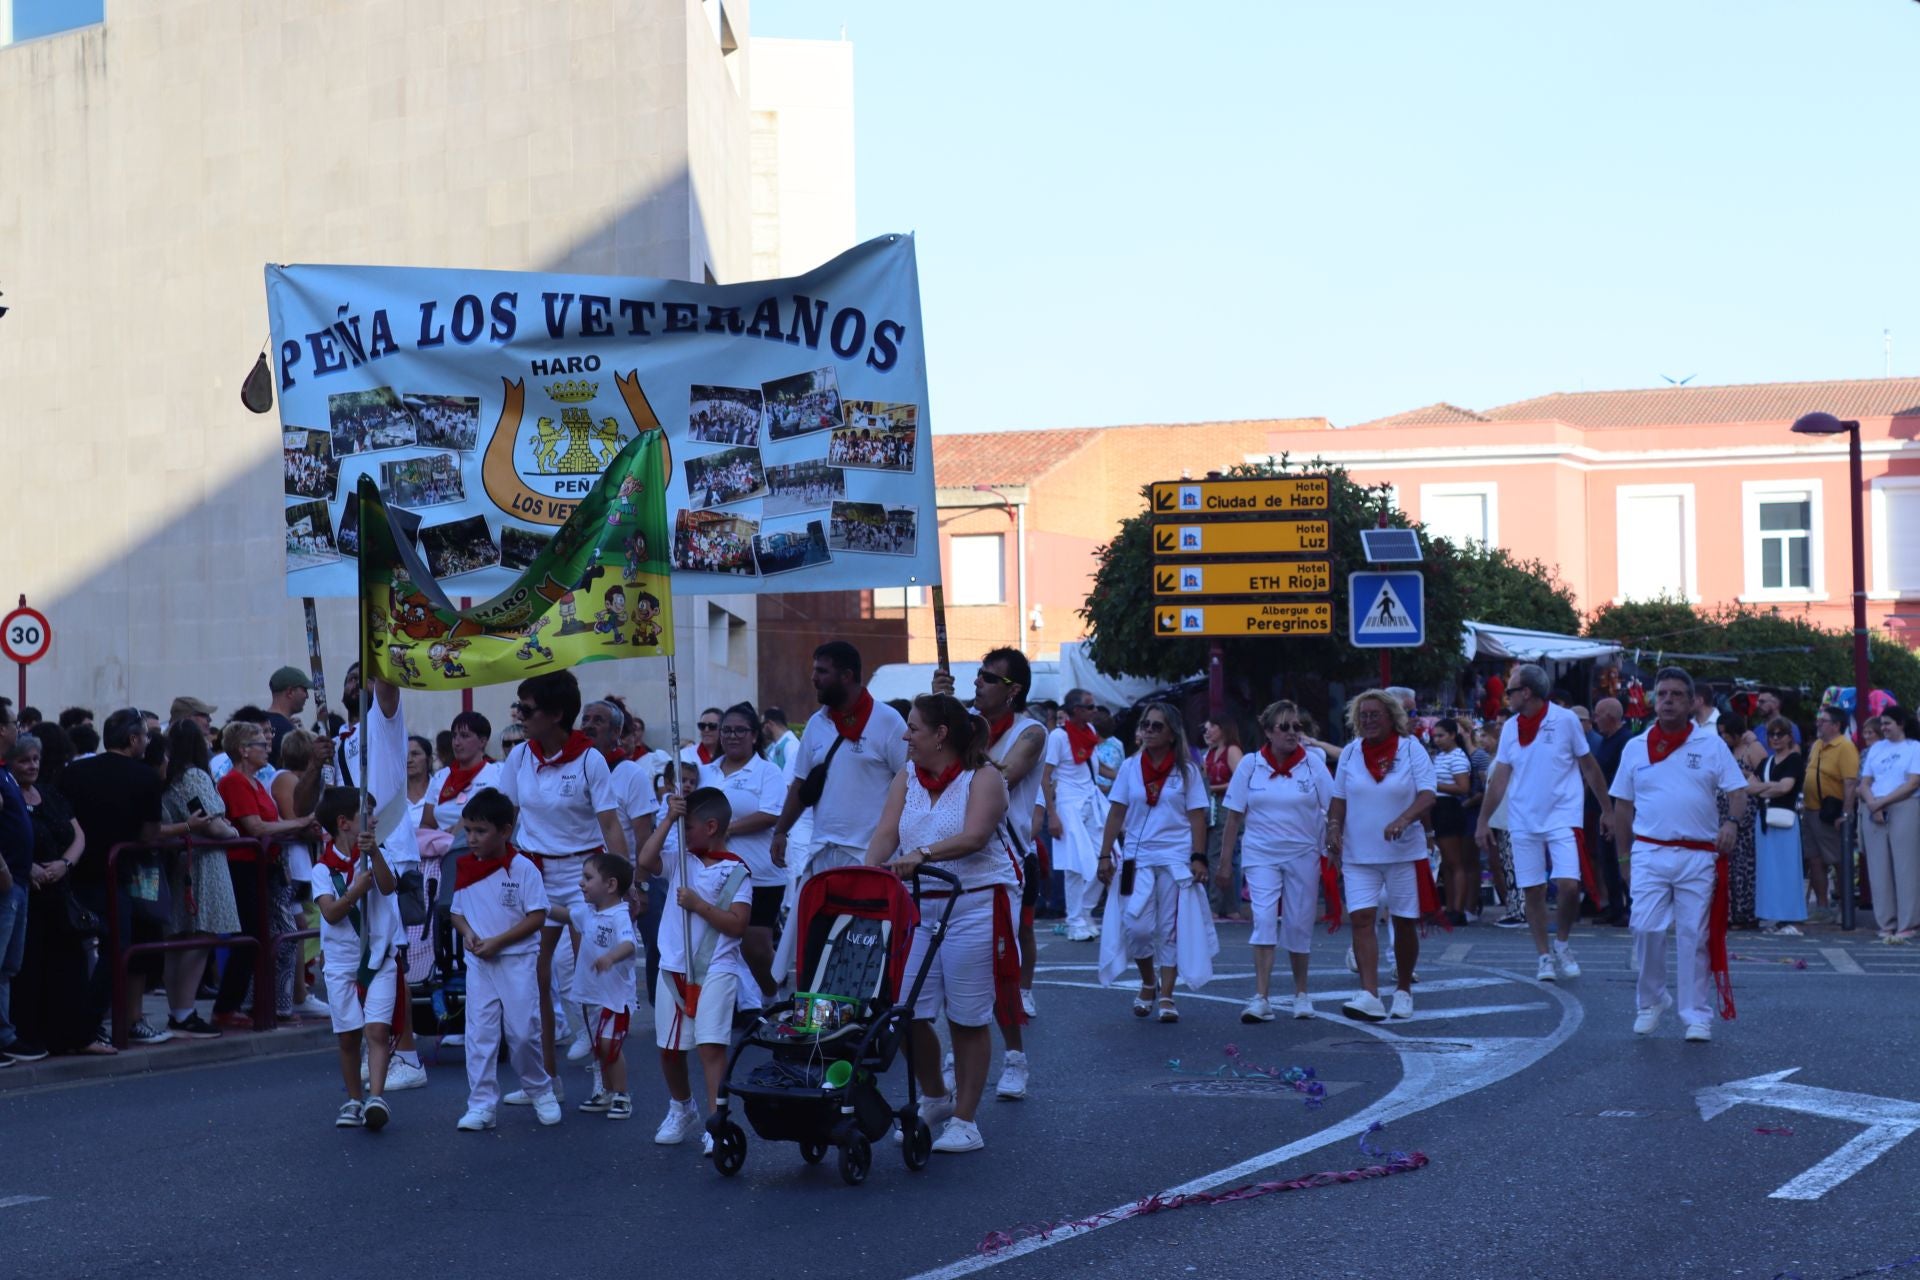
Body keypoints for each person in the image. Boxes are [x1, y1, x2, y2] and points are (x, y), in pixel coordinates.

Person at [866, 693, 1018, 1153]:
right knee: (903, 1012)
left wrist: (923, 854)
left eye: (913, 728)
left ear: (941, 735)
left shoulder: (985, 777)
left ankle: (966, 1121)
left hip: (974, 901)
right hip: (918, 905)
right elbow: (884, 834)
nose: (905, 736)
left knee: (968, 1017)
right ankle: (935, 1096)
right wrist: (868, 874)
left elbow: (974, 836)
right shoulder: (907, 776)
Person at [495, 670, 630, 1095]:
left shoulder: (590, 759)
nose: (520, 716)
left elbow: (610, 823)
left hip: (584, 877)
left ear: (555, 714)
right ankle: (545, 1079)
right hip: (536, 874)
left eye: (527, 709)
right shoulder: (519, 758)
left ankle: (600, 1076)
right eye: (519, 706)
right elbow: (504, 819)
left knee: (587, 978)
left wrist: (625, 888)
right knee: (537, 979)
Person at [1609, 667, 1748, 1041]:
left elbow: (1738, 791)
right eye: (1662, 694)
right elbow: (1622, 806)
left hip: (1698, 854)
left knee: (1693, 934)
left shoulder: (1710, 744)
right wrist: (1623, 858)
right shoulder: (1635, 747)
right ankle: (1652, 999)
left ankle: (1695, 1013)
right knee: (1645, 927)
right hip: (1650, 852)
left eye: (1676, 695)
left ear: (1691, 703)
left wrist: (1731, 823)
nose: (1667, 700)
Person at [65, 709, 215, 1046]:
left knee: (81, 949)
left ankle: (92, 1021)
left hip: (77, 871)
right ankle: (97, 1025)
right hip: (125, 876)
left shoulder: (75, 772)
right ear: (133, 740)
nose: (147, 742)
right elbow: (149, 834)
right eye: (145, 736)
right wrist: (190, 826)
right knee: (122, 949)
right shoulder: (144, 778)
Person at [935, 645, 1044, 1097]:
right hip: (954, 854)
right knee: (945, 966)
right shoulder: (965, 726)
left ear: (1013, 690)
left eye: (987, 678)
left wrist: (957, 730)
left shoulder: (1031, 731)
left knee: (1000, 964)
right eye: (976, 675)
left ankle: (1015, 1058)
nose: (976, 683)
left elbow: (1003, 775)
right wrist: (941, 710)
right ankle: (951, 1053)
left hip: (1003, 859)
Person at [1475, 663, 1615, 981]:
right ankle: (1543, 956)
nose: (1505, 696)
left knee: (1568, 886)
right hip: (1523, 818)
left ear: (1526, 692)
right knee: (1534, 891)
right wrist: (1483, 821)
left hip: (1562, 816)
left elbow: (1590, 768)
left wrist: (1607, 810)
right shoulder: (1510, 727)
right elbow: (1500, 779)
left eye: (1510, 690)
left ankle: (1562, 943)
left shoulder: (1565, 721)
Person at [638, 785, 753, 1151]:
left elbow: (737, 925)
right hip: (673, 967)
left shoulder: (738, 871)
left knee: (710, 1048)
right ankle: (681, 1107)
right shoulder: (680, 860)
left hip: (715, 969)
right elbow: (645, 860)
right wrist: (670, 817)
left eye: (686, 828)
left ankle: (716, 1121)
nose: (680, 835)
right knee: (670, 1049)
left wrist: (699, 905)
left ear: (711, 826)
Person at [1217, 700, 1333, 1021]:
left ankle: (1301, 994)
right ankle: (1261, 998)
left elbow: (1334, 807)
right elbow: (1234, 817)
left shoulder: (1313, 764)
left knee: (1298, 924)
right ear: (1268, 731)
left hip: (1303, 853)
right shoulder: (1251, 765)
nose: (1293, 733)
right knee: (1264, 919)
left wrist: (1335, 844)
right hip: (1261, 854)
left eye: (1297, 727)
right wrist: (1225, 863)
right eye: (1284, 727)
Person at [1096, 701, 1210, 1023]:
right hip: (1136, 858)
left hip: (1175, 859)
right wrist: (1105, 854)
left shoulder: (1186, 771)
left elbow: (1198, 816)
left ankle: (1168, 995)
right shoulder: (1130, 768)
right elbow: (1116, 811)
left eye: (1156, 726)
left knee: (1168, 929)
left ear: (1172, 734)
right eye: (1145, 725)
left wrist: (1199, 857)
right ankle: (1149, 981)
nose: (1148, 731)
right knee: (1137, 927)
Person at [450, 787, 556, 1130]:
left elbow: (537, 916)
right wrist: (468, 934)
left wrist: (499, 941)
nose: (472, 838)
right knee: (480, 1035)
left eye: (481, 831)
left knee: (523, 1032)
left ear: (505, 831)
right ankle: (481, 1104)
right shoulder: (465, 868)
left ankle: (539, 1088)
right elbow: (457, 913)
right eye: (468, 830)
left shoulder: (523, 869)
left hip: (517, 961)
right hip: (480, 964)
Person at [1327, 690, 1436, 1021]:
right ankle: (1369, 994)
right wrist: (1333, 826)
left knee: (1403, 921)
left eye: (1375, 715)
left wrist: (1403, 819)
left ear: (1392, 717)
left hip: (1403, 852)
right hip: (1358, 853)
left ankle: (1403, 989)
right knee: (1361, 919)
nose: (1369, 721)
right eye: (1363, 715)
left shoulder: (1411, 749)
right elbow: (1339, 797)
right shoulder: (1349, 753)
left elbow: (1428, 795)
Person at [771, 641, 909, 880]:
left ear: (847, 675)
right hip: (821, 853)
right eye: (814, 671)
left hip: (868, 857)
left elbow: (911, 785)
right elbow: (800, 783)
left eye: (822, 671)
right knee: (802, 919)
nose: (814, 678)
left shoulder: (889, 721)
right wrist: (780, 832)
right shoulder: (816, 723)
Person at [310, 787, 401, 1129]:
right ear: (344, 822)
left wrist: (374, 854)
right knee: (348, 1035)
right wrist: (354, 892)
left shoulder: (379, 853)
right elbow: (331, 914)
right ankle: (353, 1099)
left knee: (377, 1030)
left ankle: (376, 1097)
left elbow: (389, 887)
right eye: (368, 813)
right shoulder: (322, 869)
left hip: (378, 956)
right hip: (341, 961)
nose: (374, 819)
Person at [7, 730, 99, 1056]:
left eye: (35, 759)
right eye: (24, 760)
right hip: (26, 892)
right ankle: (28, 1035)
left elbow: (78, 835)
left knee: (68, 966)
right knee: (27, 969)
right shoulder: (8, 796)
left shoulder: (51, 794)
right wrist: (27, 866)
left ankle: (72, 1035)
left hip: (59, 892)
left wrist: (64, 864)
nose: (32, 766)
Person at [157, 721, 241, 1037]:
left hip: (180, 862)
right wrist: (232, 831)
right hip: (205, 863)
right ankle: (185, 1011)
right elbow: (211, 823)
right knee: (202, 934)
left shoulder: (169, 778)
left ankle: (177, 1009)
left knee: (179, 938)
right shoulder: (194, 776)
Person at [698, 703, 787, 999]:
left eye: (740, 730)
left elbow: (771, 814)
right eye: (727, 730)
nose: (732, 736)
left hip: (758, 873)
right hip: (716, 872)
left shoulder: (767, 771)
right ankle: (733, 1005)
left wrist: (727, 829)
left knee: (756, 946)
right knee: (717, 944)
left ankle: (773, 996)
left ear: (754, 736)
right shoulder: (706, 771)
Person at [269, 729, 333, 1019]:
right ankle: (295, 994)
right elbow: (295, 817)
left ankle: (297, 991)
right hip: (291, 863)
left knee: (298, 924)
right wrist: (310, 824)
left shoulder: (290, 778)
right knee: (292, 927)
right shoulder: (286, 778)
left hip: (300, 862)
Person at [570, 852, 638, 1121]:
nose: (580, 883)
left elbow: (629, 944)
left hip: (615, 996)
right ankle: (606, 1092)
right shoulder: (588, 912)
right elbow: (565, 914)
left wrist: (610, 957)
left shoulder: (619, 915)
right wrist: (538, 906)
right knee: (599, 1046)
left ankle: (622, 1095)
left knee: (611, 1046)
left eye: (588, 878)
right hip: (590, 993)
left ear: (610, 885)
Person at [1036, 689, 1107, 941]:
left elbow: (1096, 768)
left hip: (1092, 802)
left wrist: (1128, 777)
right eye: (1090, 707)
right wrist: (1052, 815)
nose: (1094, 711)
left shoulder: (1090, 732)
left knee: (1110, 861)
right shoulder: (1058, 736)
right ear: (1076, 710)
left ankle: (1085, 911)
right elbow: (1045, 777)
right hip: (1067, 805)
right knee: (1075, 867)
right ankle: (1075, 921)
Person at [0, 709, 45, 1063]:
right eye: (14, 723)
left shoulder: (5, 773)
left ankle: (5, 1035)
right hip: (5, 882)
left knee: (7, 965)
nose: (18, 727)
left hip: (17, 880)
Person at [1857, 708, 1920, 942]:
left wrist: (1881, 802)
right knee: (1878, 868)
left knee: (1906, 867)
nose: (1883, 728)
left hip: (1904, 806)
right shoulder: (1876, 748)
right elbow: (1865, 782)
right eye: (1882, 724)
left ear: (1901, 724)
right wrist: (1873, 804)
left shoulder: (1914, 747)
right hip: (1875, 808)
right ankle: (1886, 921)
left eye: (1888, 723)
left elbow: (1913, 782)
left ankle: (1908, 922)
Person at [1800, 706, 1859, 922]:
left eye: (1823, 720)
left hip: (1831, 812)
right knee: (1814, 859)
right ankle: (1822, 906)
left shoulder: (1845, 746)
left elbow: (1850, 782)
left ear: (1836, 725)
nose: (1818, 723)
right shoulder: (1817, 744)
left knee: (1837, 860)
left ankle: (1846, 907)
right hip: (1811, 809)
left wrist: (1845, 813)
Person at [1751, 718, 1808, 934]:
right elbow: (1748, 786)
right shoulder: (1766, 762)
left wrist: (1762, 788)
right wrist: (1770, 788)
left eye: (1780, 734)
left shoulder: (1794, 760)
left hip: (1785, 819)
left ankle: (1792, 918)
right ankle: (1774, 916)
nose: (1775, 738)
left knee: (1788, 869)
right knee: (1768, 870)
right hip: (1764, 818)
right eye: (1771, 734)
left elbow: (1786, 787)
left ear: (1789, 737)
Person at [1589, 698, 1633, 926]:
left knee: (1621, 858)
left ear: (1610, 717)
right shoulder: (1607, 741)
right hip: (1603, 809)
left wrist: (1615, 813)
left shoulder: (1625, 742)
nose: (1595, 720)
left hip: (1618, 809)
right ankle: (1615, 906)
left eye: (1597, 715)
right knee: (1607, 859)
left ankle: (1629, 907)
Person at [420, 711, 502, 834]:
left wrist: (460, 833)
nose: (456, 743)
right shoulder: (440, 777)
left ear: (482, 741)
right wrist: (441, 838)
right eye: (454, 736)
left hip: (483, 848)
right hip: (443, 849)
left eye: (464, 736)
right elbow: (427, 824)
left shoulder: (499, 773)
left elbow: (506, 819)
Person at [1717, 713, 1763, 930]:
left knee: (1745, 865)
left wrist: (1744, 773)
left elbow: (1765, 775)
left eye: (1726, 733)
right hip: (1724, 810)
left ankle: (1746, 913)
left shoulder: (1752, 749)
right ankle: (1730, 911)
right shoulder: (1725, 750)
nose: (1723, 737)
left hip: (1746, 811)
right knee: (1730, 864)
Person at [1429, 718, 1475, 925]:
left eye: (1441, 735)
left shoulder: (1457, 757)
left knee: (1455, 862)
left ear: (1452, 735)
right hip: (1438, 808)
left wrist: (1435, 785)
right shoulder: (1440, 757)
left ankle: (1458, 908)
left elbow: (1463, 788)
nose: (1436, 740)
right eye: (1434, 736)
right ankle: (1449, 907)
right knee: (1446, 863)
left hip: (1449, 808)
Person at [1202, 718, 1246, 920]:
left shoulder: (1232, 750)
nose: (1208, 730)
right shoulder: (1210, 753)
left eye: (1212, 726)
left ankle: (1216, 905)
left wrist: (1212, 789)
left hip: (1227, 805)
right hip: (1212, 806)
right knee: (1218, 854)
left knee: (1219, 855)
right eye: (1206, 728)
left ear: (1224, 728)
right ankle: (1229, 907)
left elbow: (1240, 779)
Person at [264, 666, 312, 767]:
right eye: (304, 690)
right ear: (290, 692)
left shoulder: (256, 724)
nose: (307, 696)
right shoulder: (289, 731)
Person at [761, 708, 798, 773]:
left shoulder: (791, 745)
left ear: (770, 723)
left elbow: (789, 781)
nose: (761, 730)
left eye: (762, 725)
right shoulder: (771, 747)